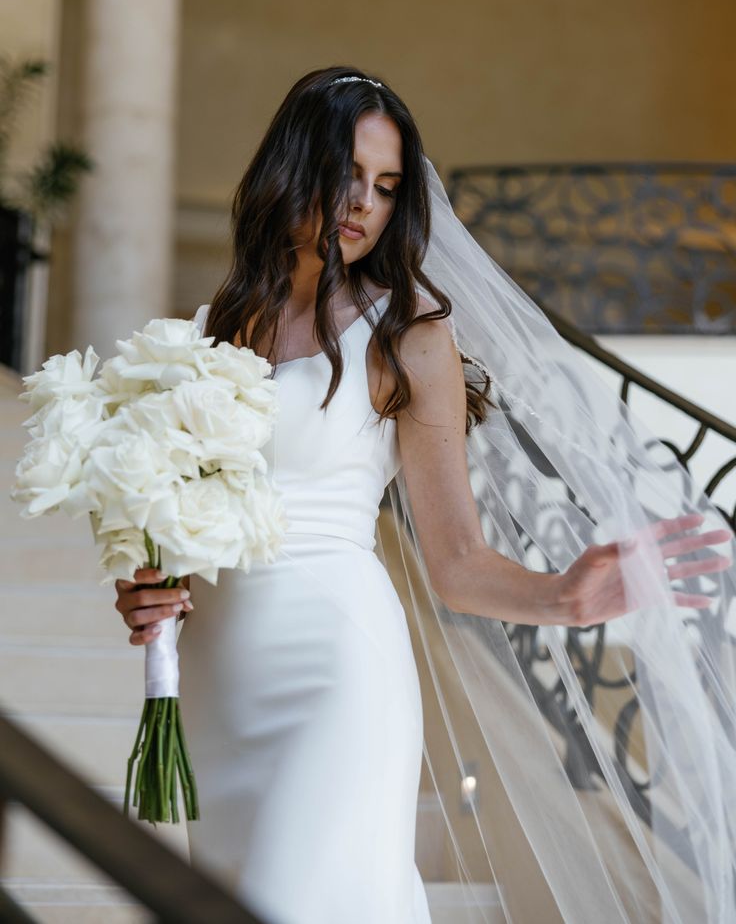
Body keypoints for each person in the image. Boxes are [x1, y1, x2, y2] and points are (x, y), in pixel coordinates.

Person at [114, 67, 735, 924]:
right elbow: (174, 521)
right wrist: (150, 589)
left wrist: (564, 593)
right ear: (294, 167)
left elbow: (456, 562)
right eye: (348, 175)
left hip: (335, 668)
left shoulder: (408, 333)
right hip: (219, 677)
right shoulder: (209, 328)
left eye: (386, 186)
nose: (364, 204)